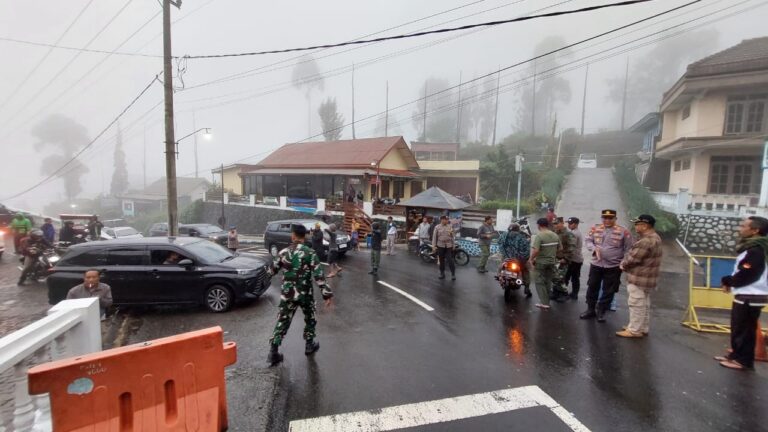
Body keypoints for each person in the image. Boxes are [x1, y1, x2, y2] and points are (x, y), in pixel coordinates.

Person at [267, 224, 332, 366]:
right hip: (305, 294)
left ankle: (273, 352)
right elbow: (319, 275)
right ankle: (309, 345)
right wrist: (326, 294)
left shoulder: (284, 252)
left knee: (283, 320)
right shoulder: (310, 253)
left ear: (293, 236)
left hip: (288, 294)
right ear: (306, 236)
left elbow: (271, 271)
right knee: (310, 318)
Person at [715, 216, 768, 370]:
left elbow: (749, 272)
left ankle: (743, 361)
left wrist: (729, 281)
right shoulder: (753, 247)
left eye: (744, 226)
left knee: (745, 329)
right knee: (738, 326)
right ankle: (735, 355)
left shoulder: (757, 250)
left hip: (752, 294)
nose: (740, 228)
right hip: (747, 293)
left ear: (755, 230)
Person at [580, 209, 634, 323]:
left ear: (615, 219)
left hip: (613, 266)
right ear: (602, 218)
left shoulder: (624, 231)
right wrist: (594, 248)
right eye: (605, 218)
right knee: (592, 286)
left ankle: (601, 311)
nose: (607, 220)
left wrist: (624, 262)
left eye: (610, 218)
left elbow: (629, 249)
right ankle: (590, 309)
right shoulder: (595, 228)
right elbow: (588, 240)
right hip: (596, 264)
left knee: (609, 290)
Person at [616, 214, 663, 338]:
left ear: (645, 225)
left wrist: (623, 265)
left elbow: (633, 259)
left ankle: (634, 330)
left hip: (639, 277)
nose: (635, 226)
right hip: (648, 278)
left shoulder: (646, 241)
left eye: (637, 224)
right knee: (644, 303)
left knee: (636, 303)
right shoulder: (655, 237)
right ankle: (642, 327)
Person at [529, 218, 561, 310]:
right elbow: (560, 248)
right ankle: (546, 301)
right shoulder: (555, 235)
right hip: (552, 262)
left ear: (539, 225)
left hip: (541, 262)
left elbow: (536, 250)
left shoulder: (539, 236)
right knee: (548, 281)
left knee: (539, 281)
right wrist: (551, 253)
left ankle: (544, 303)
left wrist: (531, 259)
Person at [498, 223, 532, 297]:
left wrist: (505, 253)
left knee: (501, 265)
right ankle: (527, 287)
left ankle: (499, 276)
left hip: (507, 257)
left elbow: (499, 243)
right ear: (518, 229)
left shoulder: (504, 235)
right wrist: (525, 258)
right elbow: (526, 250)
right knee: (525, 270)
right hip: (518, 259)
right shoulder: (522, 236)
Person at [552, 217, 576, 302]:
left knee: (559, 278)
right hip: (556, 258)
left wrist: (566, 258)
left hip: (563, 259)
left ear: (562, 223)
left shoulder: (568, 234)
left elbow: (572, 248)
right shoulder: (555, 233)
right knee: (554, 277)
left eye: (557, 223)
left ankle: (564, 294)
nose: (555, 225)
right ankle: (556, 292)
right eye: (554, 224)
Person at [565, 217, 584, 300]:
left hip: (574, 259)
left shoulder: (574, 234)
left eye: (571, 223)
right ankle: (574, 293)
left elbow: (570, 248)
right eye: (568, 223)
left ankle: (570, 293)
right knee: (574, 277)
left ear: (576, 224)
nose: (569, 225)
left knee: (569, 277)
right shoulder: (574, 232)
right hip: (576, 259)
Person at [432, 215, 456, 280]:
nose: (447, 220)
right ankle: (442, 273)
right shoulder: (437, 227)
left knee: (450, 260)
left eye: (447, 219)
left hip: (448, 245)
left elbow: (452, 236)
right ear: (442, 220)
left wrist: (454, 245)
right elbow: (434, 237)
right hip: (440, 245)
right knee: (441, 260)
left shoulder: (450, 226)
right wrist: (433, 246)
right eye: (446, 219)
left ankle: (453, 274)